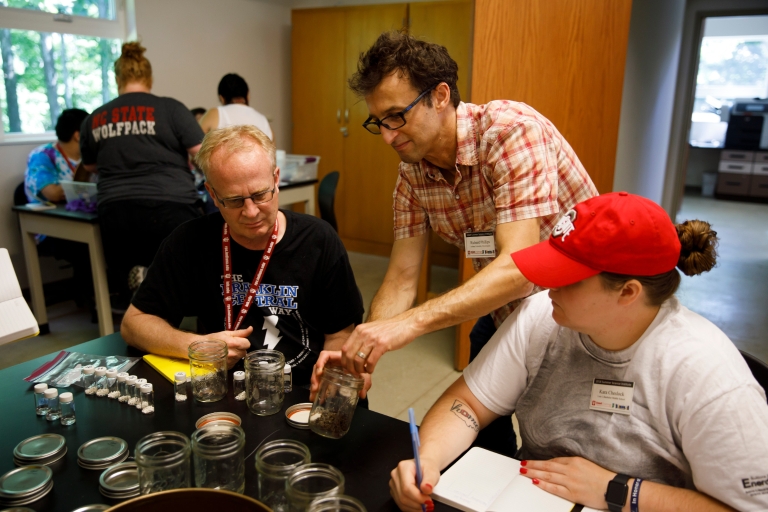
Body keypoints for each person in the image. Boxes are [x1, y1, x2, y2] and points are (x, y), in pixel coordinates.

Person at [388, 192, 768, 512]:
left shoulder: (707, 373)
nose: (546, 284)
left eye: (567, 278)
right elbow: (469, 404)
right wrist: (431, 461)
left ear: (627, 292)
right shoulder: (541, 316)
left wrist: (619, 489)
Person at [337, 31, 598, 377]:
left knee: (549, 426)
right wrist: (364, 351)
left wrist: (411, 322)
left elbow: (519, 270)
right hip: (506, 309)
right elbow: (401, 278)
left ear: (440, 96)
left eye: (397, 115)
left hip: (580, 311)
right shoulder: (411, 177)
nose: (387, 135)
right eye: (378, 122)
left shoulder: (511, 133)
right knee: (478, 420)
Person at [121, 125, 365, 389]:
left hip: (301, 390)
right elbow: (133, 325)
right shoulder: (189, 242)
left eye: (260, 195)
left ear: (276, 179)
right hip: (224, 389)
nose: (251, 212)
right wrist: (197, 345)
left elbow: (341, 333)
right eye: (235, 200)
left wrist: (329, 381)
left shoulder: (319, 240)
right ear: (213, 195)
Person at [79, 42, 205, 307]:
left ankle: (141, 325)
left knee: (133, 293)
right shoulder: (170, 109)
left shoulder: (95, 118)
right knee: (185, 274)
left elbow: (90, 166)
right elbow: (202, 152)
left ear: (118, 79)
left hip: (117, 211)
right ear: (149, 78)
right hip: (171, 204)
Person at [24, 108, 93, 308]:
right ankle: (92, 297)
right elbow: (52, 193)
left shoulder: (87, 159)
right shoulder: (43, 155)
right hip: (51, 228)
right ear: (78, 134)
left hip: (84, 219)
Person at [25, 108, 90, 204]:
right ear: (78, 136)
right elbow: (53, 194)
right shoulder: (41, 155)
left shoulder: (89, 155)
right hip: (49, 216)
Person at [199, 73, 272, 139]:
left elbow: (196, 145)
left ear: (221, 98)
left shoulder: (215, 113)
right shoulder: (263, 120)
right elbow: (272, 152)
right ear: (248, 95)